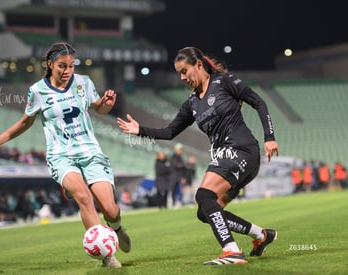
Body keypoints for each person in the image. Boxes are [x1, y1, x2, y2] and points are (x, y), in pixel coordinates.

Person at [0, 42, 131, 268]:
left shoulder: (84, 83)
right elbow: (25, 122)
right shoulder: (38, 91)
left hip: (90, 152)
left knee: (110, 208)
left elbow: (98, 107)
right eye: (61, 66)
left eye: (71, 66)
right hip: (61, 156)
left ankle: (116, 228)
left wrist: (106, 104)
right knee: (84, 198)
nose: (67, 71)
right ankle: (107, 254)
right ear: (50, 64)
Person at [117, 46, 279, 265]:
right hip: (227, 156)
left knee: (203, 196)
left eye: (185, 71)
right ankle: (261, 235)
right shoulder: (192, 103)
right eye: (179, 74)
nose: (183, 77)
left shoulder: (224, 82)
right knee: (206, 212)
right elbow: (170, 131)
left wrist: (270, 137)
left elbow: (259, 102)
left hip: (242, 150)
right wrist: (140, 130)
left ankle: (232, 251)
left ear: (199, 65)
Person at [169, 143, 186, 207]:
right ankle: (174, 203)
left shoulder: (180, 157)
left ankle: (180, 202)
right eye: (180, 150)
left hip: (180, 177)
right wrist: (182, 165)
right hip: (174, 177)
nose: (181, 151)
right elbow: (175, 166)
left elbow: (182, 168)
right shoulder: (173, 157)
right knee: (174, 190)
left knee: (181, 190)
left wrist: (183, 177)